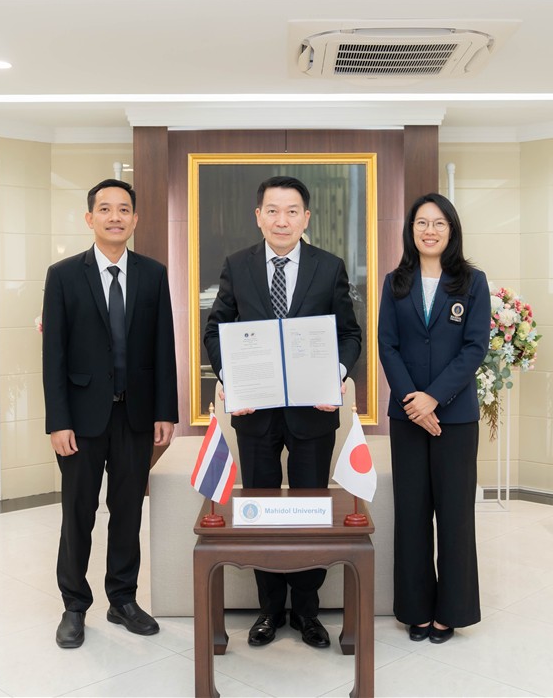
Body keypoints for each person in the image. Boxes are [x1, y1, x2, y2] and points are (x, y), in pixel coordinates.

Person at [203, 176, 361, 649]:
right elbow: (216, 330)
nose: (282, 220)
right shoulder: (238, 266)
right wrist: (232, 379)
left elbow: (349, 334)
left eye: (292, 211)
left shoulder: (329, 267)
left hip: (313, 410)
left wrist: (334, 374)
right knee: (260, 510)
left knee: (312, 509)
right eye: (272, 210)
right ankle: (270, 610)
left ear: (306, 218)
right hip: (256, 412)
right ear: (258, 216)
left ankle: (307, 612)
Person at [42, 178, 178, 648]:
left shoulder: (153, 273)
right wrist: (58, 421)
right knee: (78, 512)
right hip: (80, 420)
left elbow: (163, 347)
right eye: (105, 209)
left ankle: (122, 599)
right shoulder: (63, 275)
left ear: (135, 219)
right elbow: (54, 355)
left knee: (127, 511)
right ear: (90, 218)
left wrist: (165, 410)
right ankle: (74, 605)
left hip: (135, 415)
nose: (115, 217)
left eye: (123, 209)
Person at [378, 193, 490, 645]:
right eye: (422, 223)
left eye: (439, 223)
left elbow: (475, 347)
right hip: (407, 417)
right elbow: (387, 345)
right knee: (411, 513)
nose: (430, 230)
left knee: (455, 514)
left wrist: (434, 399)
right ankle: (416, 609)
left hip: (455, 418)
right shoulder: (395, 282)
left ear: (452, 230)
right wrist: (413, 401)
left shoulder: (473, 281)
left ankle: (451, 612)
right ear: (411, 230)